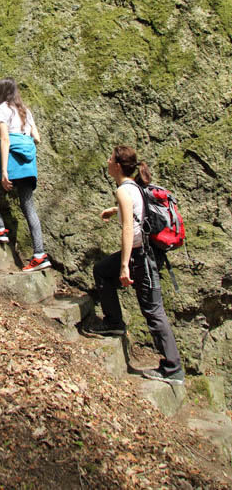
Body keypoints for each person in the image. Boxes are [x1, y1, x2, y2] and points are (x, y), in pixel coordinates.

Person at [85, 145, 184, 385]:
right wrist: (114, 210)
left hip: (142, 256)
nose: (107, 161)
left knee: (153, 310)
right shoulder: (134, 187)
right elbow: (136, 210)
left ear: (117, 165)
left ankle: (173, 368)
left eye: (110, 158)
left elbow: (130, 228)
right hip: (144, 254)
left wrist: (124, 266)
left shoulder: (124, 190)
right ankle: (114, 322)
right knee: (101, 271)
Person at [0, 77, 51, 273]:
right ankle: (39, 255)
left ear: (1, 92)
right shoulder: (25, 112)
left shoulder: (1, 110)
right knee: (28, 207)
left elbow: (5, 139)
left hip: (11, 160)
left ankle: (0, 228)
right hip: (28, 165)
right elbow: (36, 138)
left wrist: (4, 171)